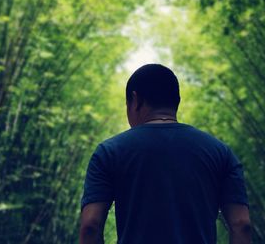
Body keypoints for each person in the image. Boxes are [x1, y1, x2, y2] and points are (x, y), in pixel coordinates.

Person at [79, 64, 251, 244]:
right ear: (176, 101)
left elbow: (90, 225)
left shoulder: (109, 152)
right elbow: (241, 224)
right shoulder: (220, 152)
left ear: (135, 100)